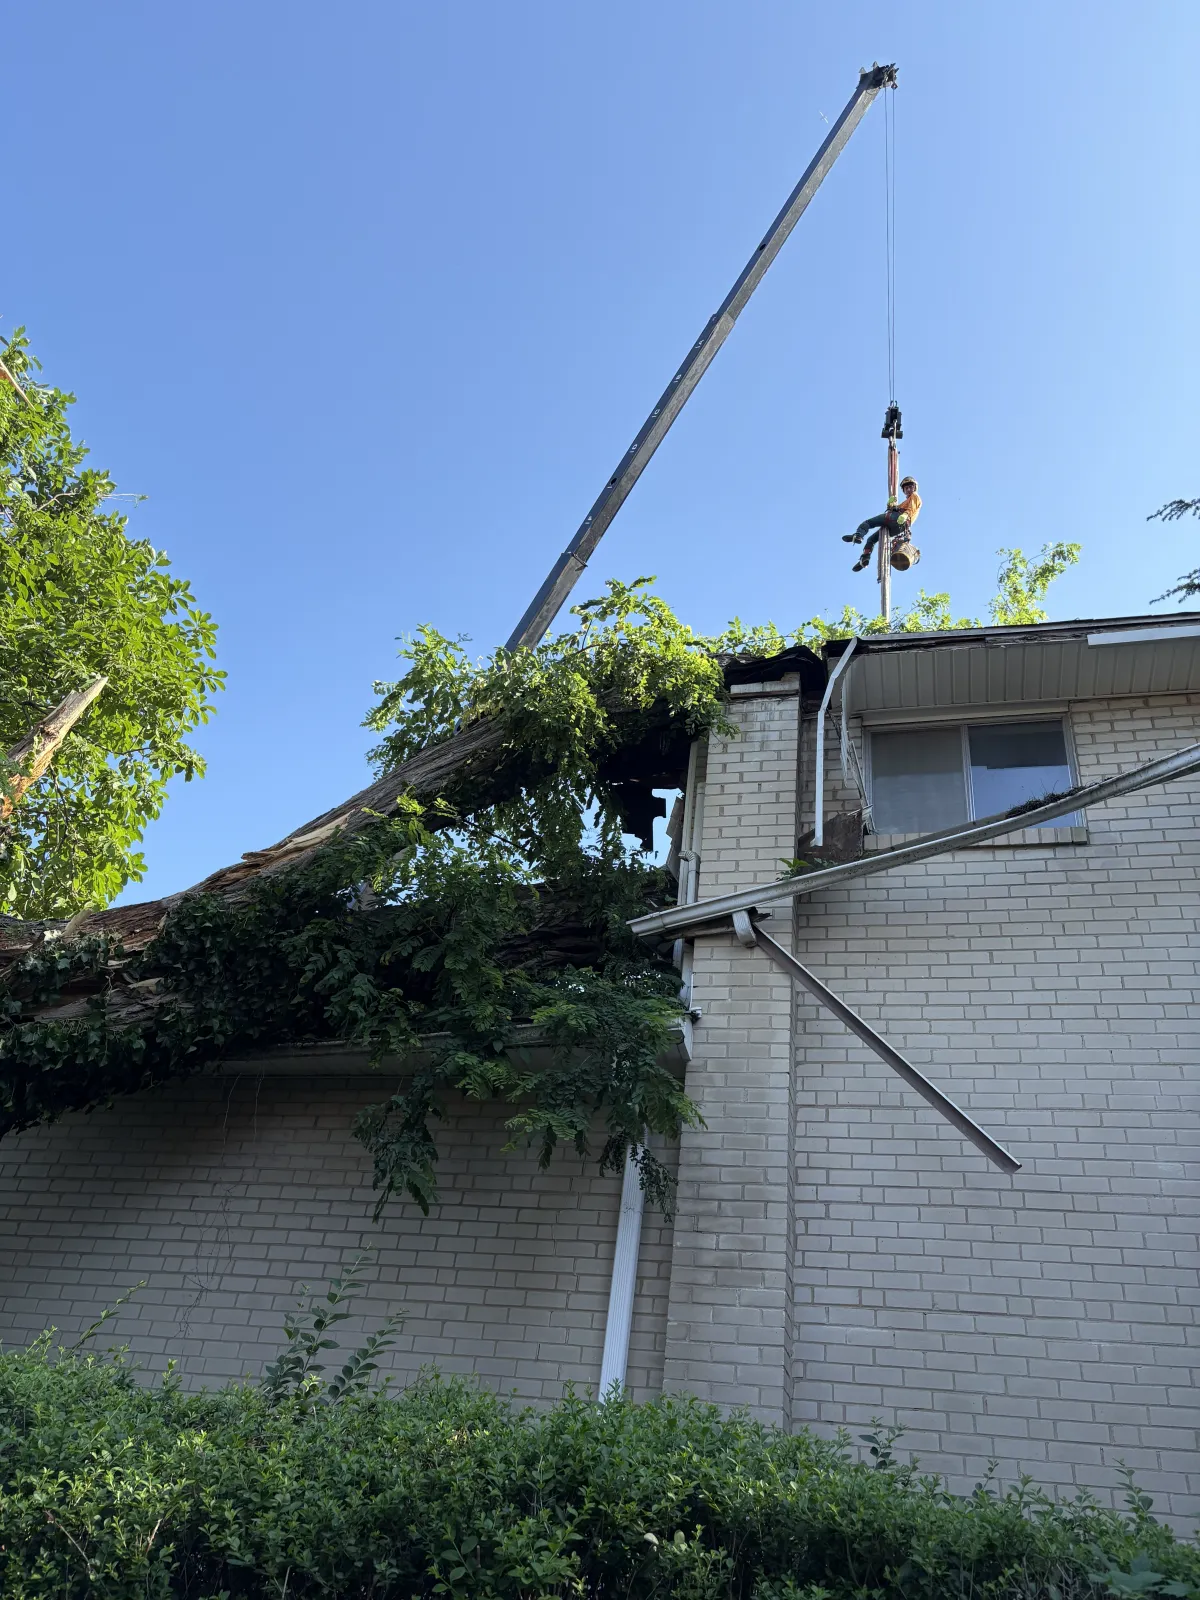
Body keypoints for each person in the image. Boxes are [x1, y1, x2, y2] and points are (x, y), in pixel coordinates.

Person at [843, 476, 921, 572]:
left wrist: (905, 515)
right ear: (904, 490)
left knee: (868, 523)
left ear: (914, 487)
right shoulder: (905, 502)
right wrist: (890, 504)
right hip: (899, 527)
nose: (908, 489)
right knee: (871, 539)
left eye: (910, 487)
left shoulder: (915, 496)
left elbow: (911, 509)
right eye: (906, 488)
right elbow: (893, 508)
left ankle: (858, 535)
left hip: (896, 518)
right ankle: (865, 559)